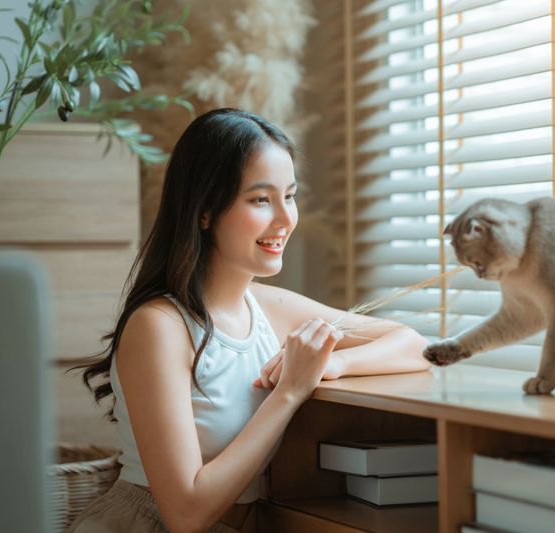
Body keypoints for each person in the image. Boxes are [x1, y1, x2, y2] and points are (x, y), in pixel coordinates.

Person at [68, 109, 429, 532]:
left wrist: (333, 365)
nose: (285, 219)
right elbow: (186, 514)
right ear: (204, 211)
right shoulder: (160, 326)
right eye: (261, 199)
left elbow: (414, 344)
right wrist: (290, 391)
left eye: (289, 196)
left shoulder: (269, 307)